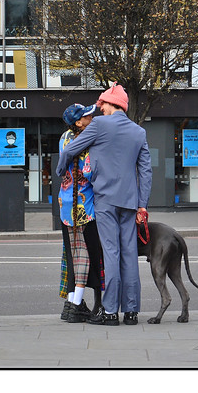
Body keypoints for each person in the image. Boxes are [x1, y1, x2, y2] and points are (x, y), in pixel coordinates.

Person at [56, 83, 152, 326]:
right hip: (130, 201)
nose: (100, 110)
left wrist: (59, 170)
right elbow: (146, 171)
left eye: (103, 105)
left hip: (105, 200)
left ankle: (110, 312)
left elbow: (71, 150)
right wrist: (142, 205)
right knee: (129, 255)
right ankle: (131, 312)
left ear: (115, 104)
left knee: (111, 253)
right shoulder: (138, 131)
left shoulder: (99, 125)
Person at [58, 103, 105, 323]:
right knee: (86, 257)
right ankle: (76, 305)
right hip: (84, 207)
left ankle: (71, 304)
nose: (92, 116)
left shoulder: (64, 137)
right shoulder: (86, 141)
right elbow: (90, 171)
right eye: (87, 116)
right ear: (79, 122)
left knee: (71, 255)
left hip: (65, 204)